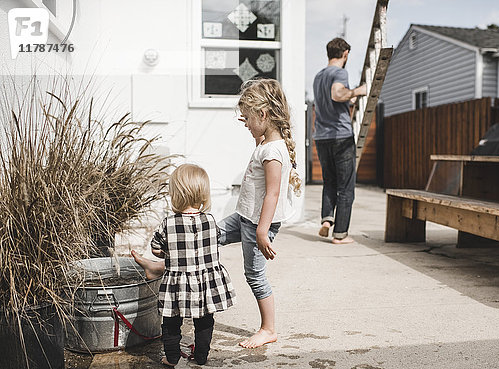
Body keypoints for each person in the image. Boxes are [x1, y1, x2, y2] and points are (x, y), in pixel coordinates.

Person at [133, 78, 301, 349]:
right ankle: (160, 267)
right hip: (244, 217)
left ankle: (269, 328)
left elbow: (272, 194)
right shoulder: (265, 142)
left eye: (247, 118)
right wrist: (256, 129)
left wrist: (261, 231)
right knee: (201, 236)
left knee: (255, 276)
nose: (244, 123)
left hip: (257, 224)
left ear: (264, 114)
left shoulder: (272, 152)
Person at [139, 163, 236, 367]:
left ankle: (172, 357)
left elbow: (156, 248)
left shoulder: (169, 223)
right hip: (205, 282)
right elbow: (214, 241)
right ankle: (201, 356)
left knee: (172, 321)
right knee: (204, 320)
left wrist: (168, 251)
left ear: (175, 193)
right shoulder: (210, 220)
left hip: (178, 283)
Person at [313, 37, 366, 244]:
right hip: (340, 136)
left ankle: (327, 220)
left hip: (321, 136)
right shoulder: (340, 72)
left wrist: (350, 97)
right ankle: (340, 234)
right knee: (345, 186)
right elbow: (337, 94)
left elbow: (333, 98)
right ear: (345, 54)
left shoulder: (318, 76)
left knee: (329, 182)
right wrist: (359, 91)